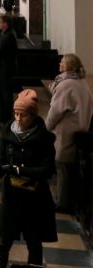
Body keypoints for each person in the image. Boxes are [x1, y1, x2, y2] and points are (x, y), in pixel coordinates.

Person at [0, 89, 56, 268]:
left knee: (34, 245)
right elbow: (1, 160)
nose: (18, 118)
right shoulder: (8, 134)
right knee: (2, 243)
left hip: (34, 199)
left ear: (33, 116)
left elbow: (47, 170)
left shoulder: (44, 138)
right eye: (16, 114)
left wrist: (20, 170)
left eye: (23, 115)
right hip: (12, 197)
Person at [45, 54, 93, 212]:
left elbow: (56, 111)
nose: (60, 63)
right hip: (80, 128)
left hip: (66, 130)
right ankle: (70, 201)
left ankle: (63, 202)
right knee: (71, 167)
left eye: (63, 62)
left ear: (69, 66)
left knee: (62, 165)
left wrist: (46, 128)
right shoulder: (82, 82)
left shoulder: (66, 85)